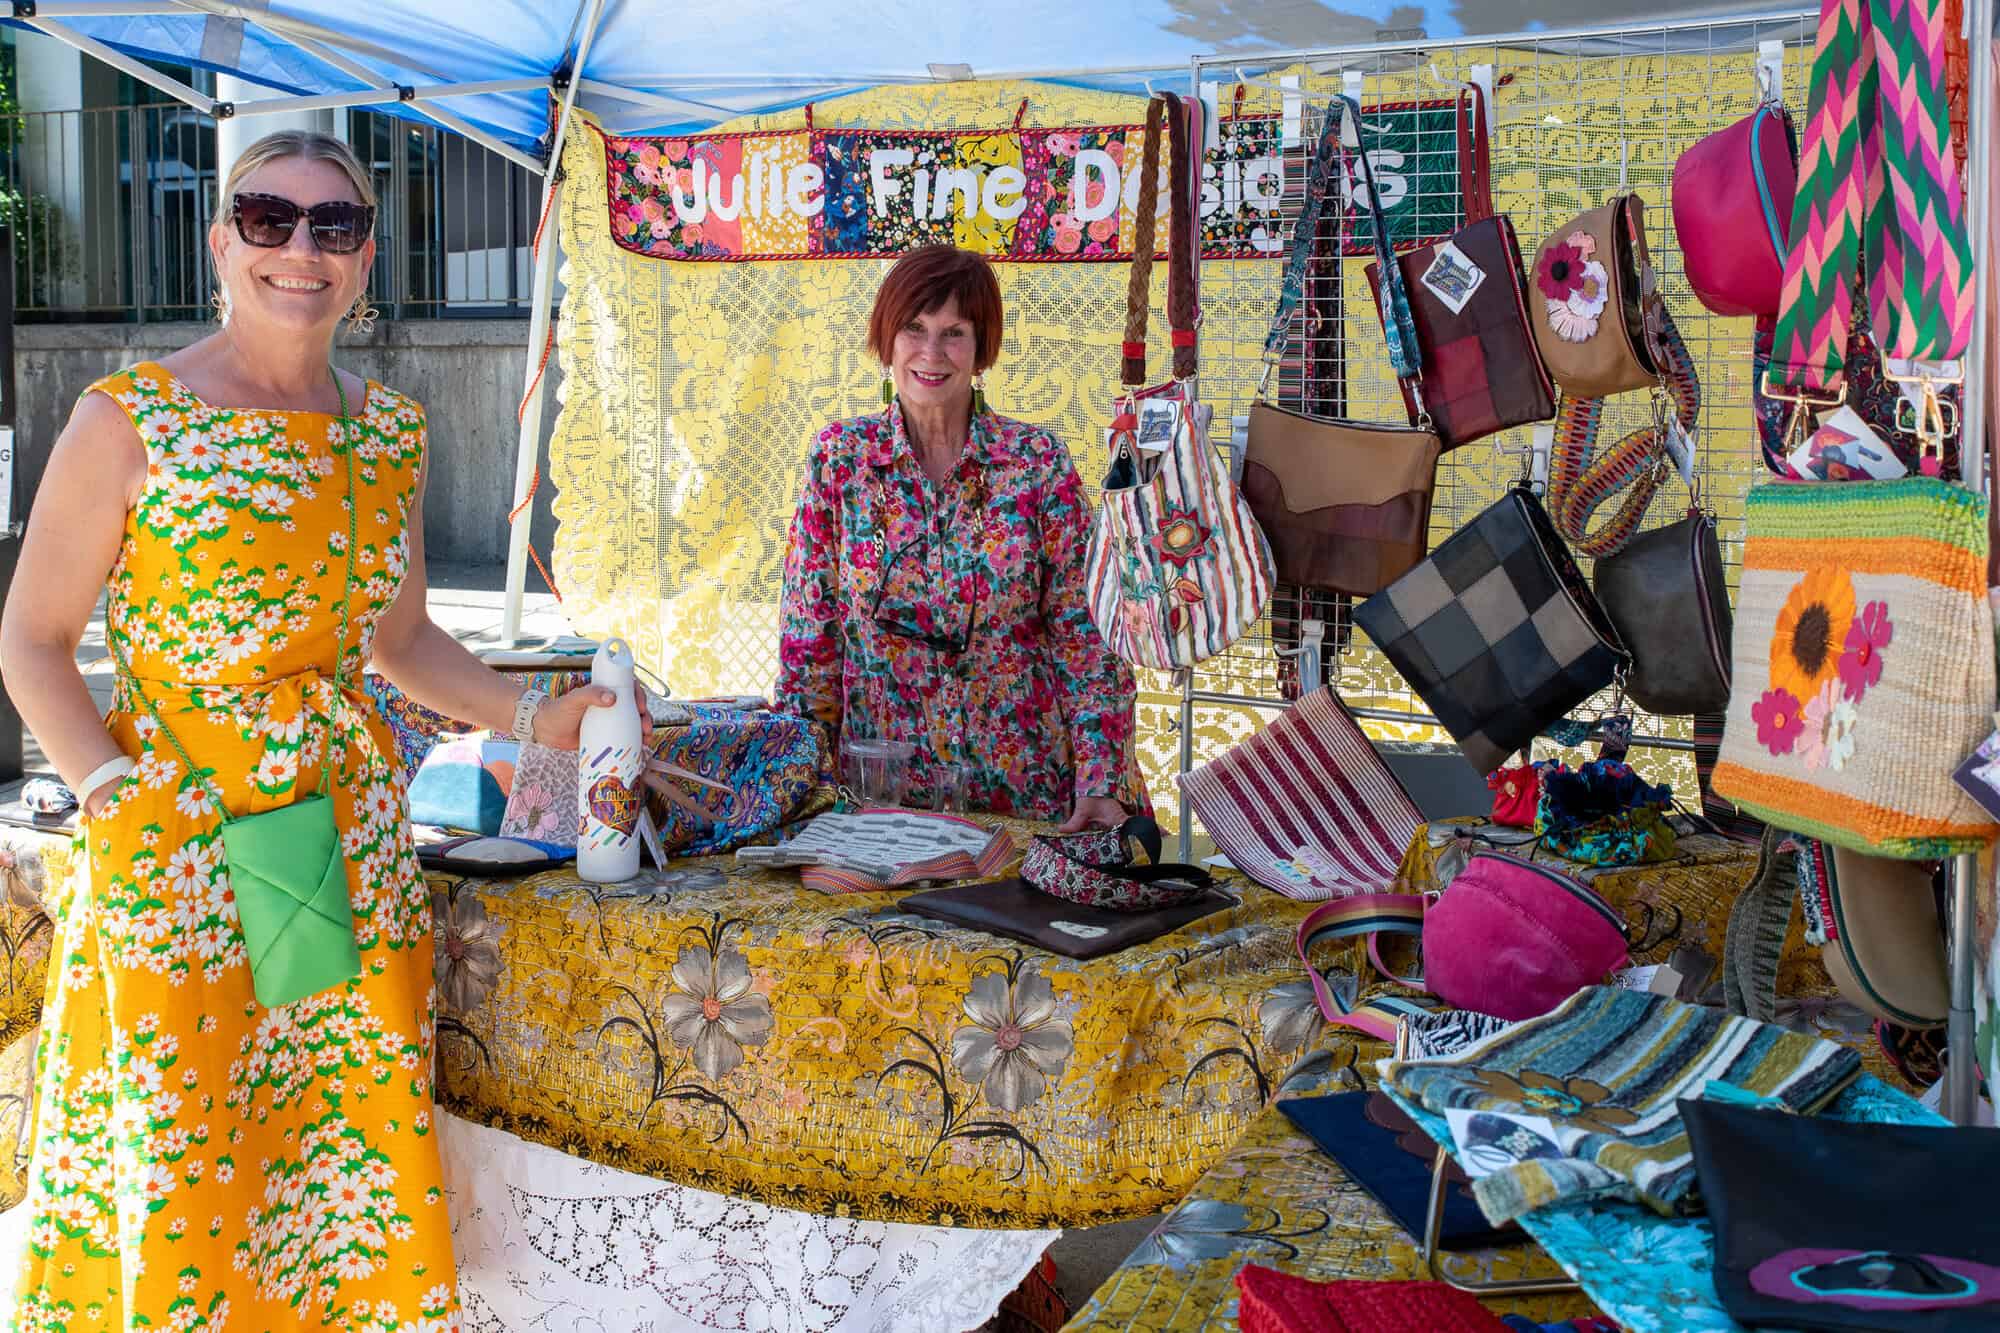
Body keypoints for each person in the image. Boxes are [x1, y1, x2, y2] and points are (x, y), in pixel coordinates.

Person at [0, 130, 643, 1328]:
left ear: (364, 262)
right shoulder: (129, 419)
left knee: (323, 1158)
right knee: (190, 1149)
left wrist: (531, 717)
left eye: (333, 227)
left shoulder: (389, 433)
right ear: (220, 240)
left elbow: (397, 644)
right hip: (181, 850)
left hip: (338, 847)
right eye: (268, 218)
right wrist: (116, 800)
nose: (300, 248)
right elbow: (32, 641)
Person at [775, 245, 1140, 829]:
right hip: (878, 806)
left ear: (981, 347)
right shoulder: (841, 461)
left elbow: (1088, 636)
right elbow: (808, 642)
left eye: (954, 332)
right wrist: (800, 785)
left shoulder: (1035, 463)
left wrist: (1100, 779)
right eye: (913, 329)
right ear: (886, 338)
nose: (931, 352)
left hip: (1027, 800)